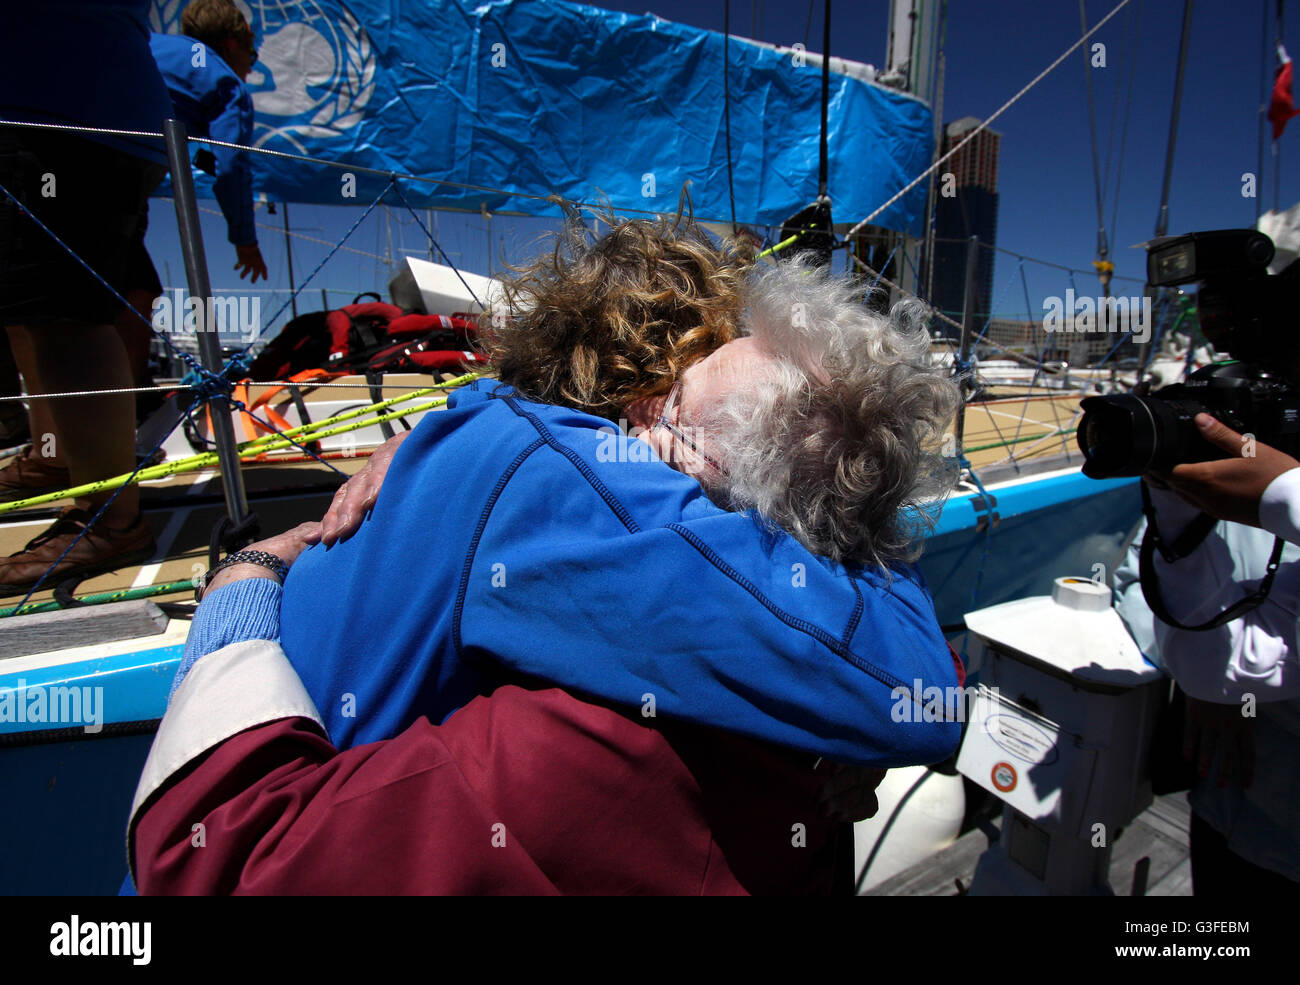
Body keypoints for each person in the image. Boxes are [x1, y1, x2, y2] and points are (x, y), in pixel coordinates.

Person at [128, 212, 963, 892]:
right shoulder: (794, 709)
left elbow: (218, 865)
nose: (630, 423)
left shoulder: (580, 742)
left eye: (664, 408)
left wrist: (239, 584)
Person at [0, 0, 172, 592]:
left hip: (54, 111)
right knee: (25, 308)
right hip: (80, 106)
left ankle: (108, 518)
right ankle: (57, 460)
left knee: (66, 314)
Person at [1114, 412, 1300, 894]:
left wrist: (1287, 496)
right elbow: (1135, 580)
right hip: (1219, 798)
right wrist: (1206, 675)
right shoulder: (1225, 464)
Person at [152, 0, 267, 282]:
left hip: (49, 151)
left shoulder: (146, 43)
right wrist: (245, 241)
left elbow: (198, 154)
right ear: (231, 44)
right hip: (109, 178)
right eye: (251, 55)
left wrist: (212, 162)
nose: (250, 69)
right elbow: (230, 168)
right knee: (130, 297)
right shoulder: (224, 82)